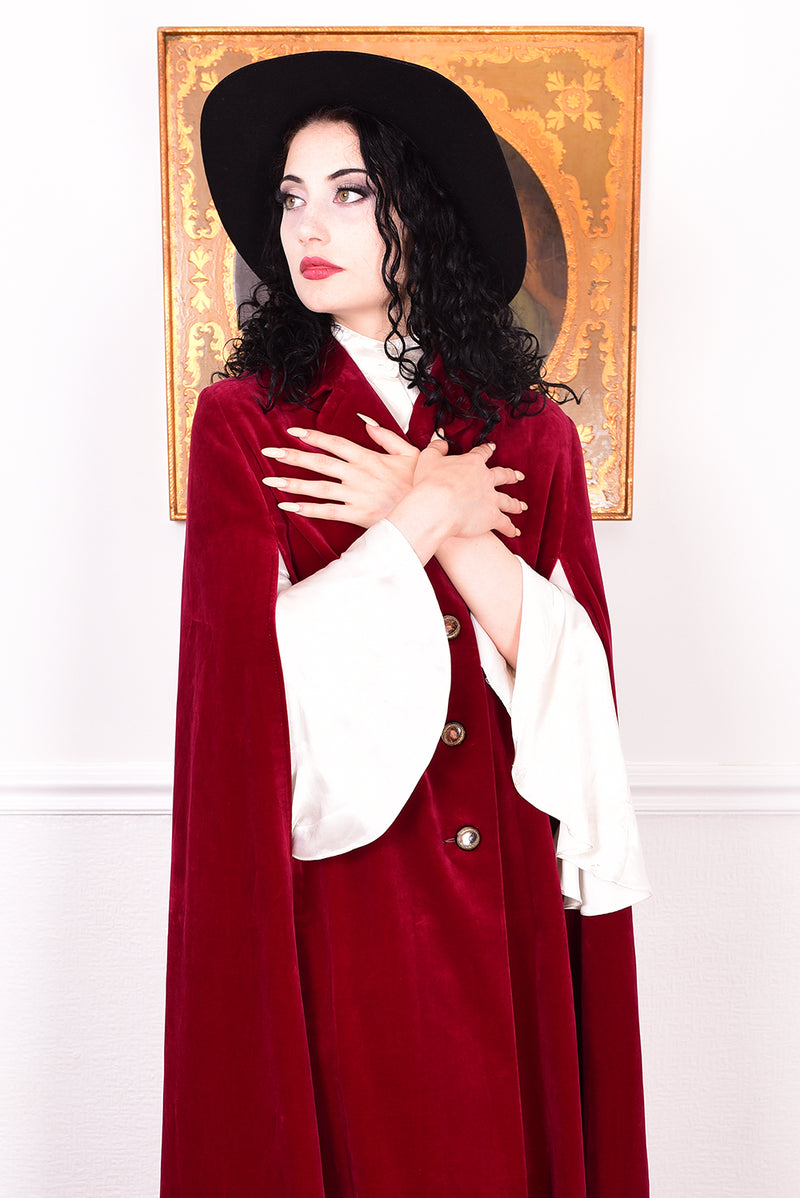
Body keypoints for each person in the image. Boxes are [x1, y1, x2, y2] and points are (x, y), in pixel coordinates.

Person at [160, 51, 651, 1198]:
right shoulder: (244, 425)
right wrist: (421, 515)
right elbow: (245, 690)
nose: (307, 225)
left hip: (505, 883)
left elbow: (575, 685)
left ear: (421, 213)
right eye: (291, 195)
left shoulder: (529, 438)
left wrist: (446, 525)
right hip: (341, 890)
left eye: (350, 192)